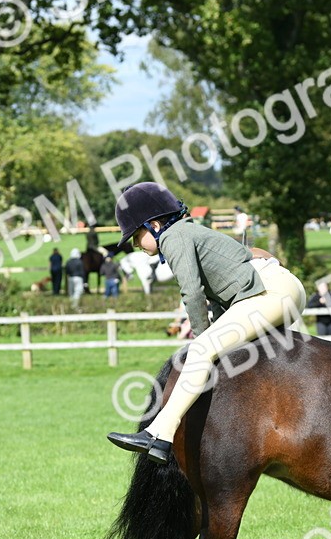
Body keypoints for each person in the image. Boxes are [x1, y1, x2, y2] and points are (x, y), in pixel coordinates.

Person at [107, 182, 307, 464]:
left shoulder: (173, 237)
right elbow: (214, 298)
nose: (135, 244)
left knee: (203, 350)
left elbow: (191, 292)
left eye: (136, 235)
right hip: (281, 290)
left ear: (153, 225)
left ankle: (159, 435)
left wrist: (201, 339)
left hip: (270, 291)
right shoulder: (188, 231)